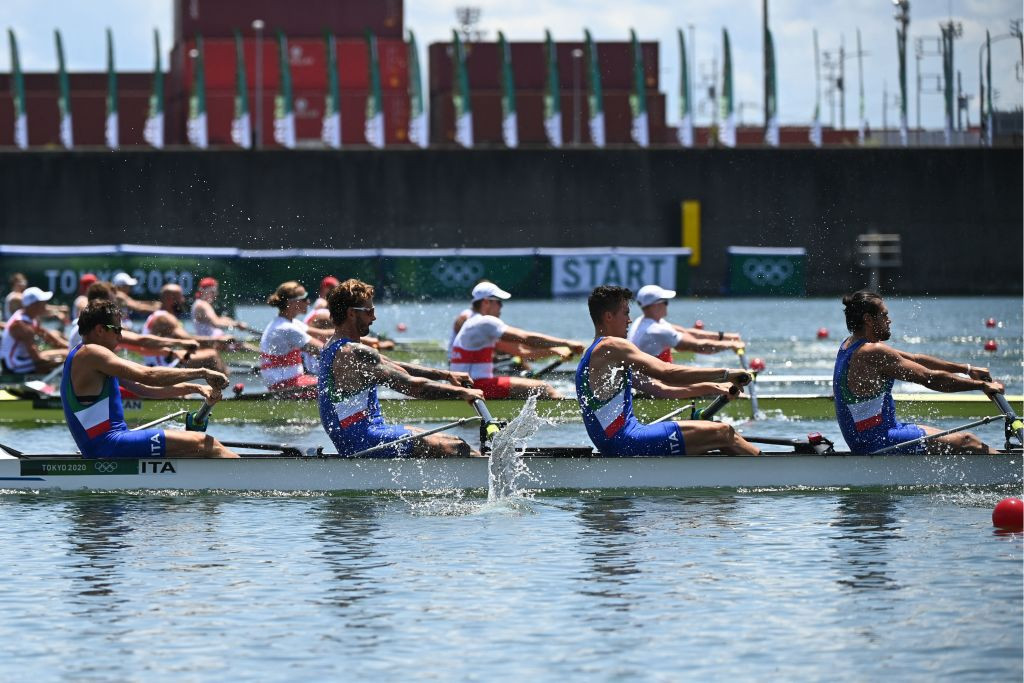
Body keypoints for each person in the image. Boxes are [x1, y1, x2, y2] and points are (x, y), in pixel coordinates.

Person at [576, 285, 759, 455]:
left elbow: (663, 389)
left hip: (614, 442)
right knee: (723, 432)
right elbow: (667, 373)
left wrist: (712, 387)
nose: (629, 320)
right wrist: (726, 374)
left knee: (708, 433)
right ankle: (773, 472)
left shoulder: (593, 353)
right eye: (625, 313)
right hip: (626, 440)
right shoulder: (613, 345)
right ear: (609, 317)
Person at [318, 278, 483, 457]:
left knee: (447, 439)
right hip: (363, 441)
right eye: (369, 311)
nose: (374, 317)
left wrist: (447, 374)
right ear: (351, 313)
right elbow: (414, 387)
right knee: (458, 447)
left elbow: (394, 366)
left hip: (362, 435)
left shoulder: (335, 346)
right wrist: (462, 393)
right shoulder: (353, 351)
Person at [61, 300, 237, 459]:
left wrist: (195, 388)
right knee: (205, 443)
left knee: (191, 446)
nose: (120, 337)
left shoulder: (87, 357)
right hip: (110, 445)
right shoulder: (91, 353)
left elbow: (144, 388)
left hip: (108, 445)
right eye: (117, 330)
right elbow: (149, 375)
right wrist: (203, 372)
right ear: (99, 330)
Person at [834, 290, 1004, 454]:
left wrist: (966, 369)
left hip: (877, 434)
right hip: (876, 442)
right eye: (884, 315)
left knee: (949, 437)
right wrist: (982, 385)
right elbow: (928, 378)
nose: (889, 320)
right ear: (868, 319)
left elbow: (915, 359)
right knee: (968, 441)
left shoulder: (849, 345)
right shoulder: (872, 352)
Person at [449, 281, 585, 399]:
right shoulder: (484, 322)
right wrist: (567, 343)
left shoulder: (474, 324)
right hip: (476, 385)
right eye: (499, 303)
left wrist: (555, 351)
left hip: (470, 384)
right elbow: (526, 338)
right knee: (543, 387)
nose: (501, 308)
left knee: (531, 385)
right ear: (486, 302)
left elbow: (523, 352)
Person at [628, 284, 744, 361]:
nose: (667, 305)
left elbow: (685, 332)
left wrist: (728, 337)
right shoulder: (655, 330)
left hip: (650, 378)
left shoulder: (644, 321)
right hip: (649, 388)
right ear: (655, 305)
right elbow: (700, 347)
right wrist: (731, 345)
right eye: (666, 302)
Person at [141, 283, 229, 373]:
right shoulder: (166, 318)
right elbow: (187, 338)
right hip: (163, 366)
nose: (183, 300)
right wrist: (217, 340)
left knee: (201, 349)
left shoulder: (158, 314)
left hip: (161, 360)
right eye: (180, 297)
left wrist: (206, 343)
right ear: (170, 299)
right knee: (212, 356)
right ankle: (226, 385)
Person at [260, 281, 325, 397]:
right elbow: (324, 350)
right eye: (304, 298)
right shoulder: (286, 328)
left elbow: (324, 333)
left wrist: (360, 339)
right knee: (335, 385)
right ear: (291, 303)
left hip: (290, 381)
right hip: (284, 386)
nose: (308, 302)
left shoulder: (290, 323)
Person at [0, 286, 69, 374]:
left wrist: (71, 347)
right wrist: (61, 362)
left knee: (66, 354)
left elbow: (48, 337)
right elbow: (37, 359)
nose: (45, 305)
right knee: (65, 358)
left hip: (24, 359)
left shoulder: (29, 318)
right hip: (15, 366)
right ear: (33, 305)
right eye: (43, 302)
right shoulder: (20, 325)